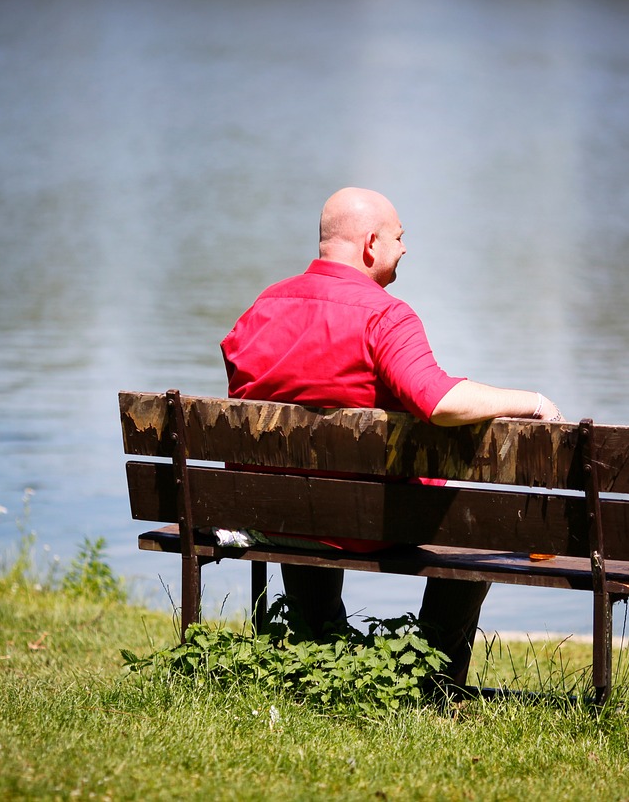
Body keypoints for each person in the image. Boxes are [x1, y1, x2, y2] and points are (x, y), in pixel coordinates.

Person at [220, 186, 564, 686]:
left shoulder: (263, 307)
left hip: (273, 512)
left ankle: (320, 657)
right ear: (371, 244)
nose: (404, 249)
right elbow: (438, 401)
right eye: (400, 238)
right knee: (482, 527)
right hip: (369, 523)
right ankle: (433, 680)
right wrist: (533, 402)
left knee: (307, 496)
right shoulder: (384, 315)